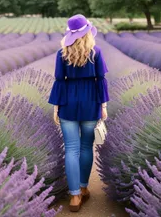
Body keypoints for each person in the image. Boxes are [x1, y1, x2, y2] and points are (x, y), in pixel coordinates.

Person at [48, 14, 109, 212]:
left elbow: (59, 80)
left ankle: (74, 197)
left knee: (71, 149)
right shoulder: (96, 52)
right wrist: (104, 106)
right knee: (85, 148)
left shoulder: (62, 53)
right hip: (90, 102)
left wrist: (55, 106)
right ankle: (83, 188)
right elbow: (101, 80)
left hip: (68, 103)